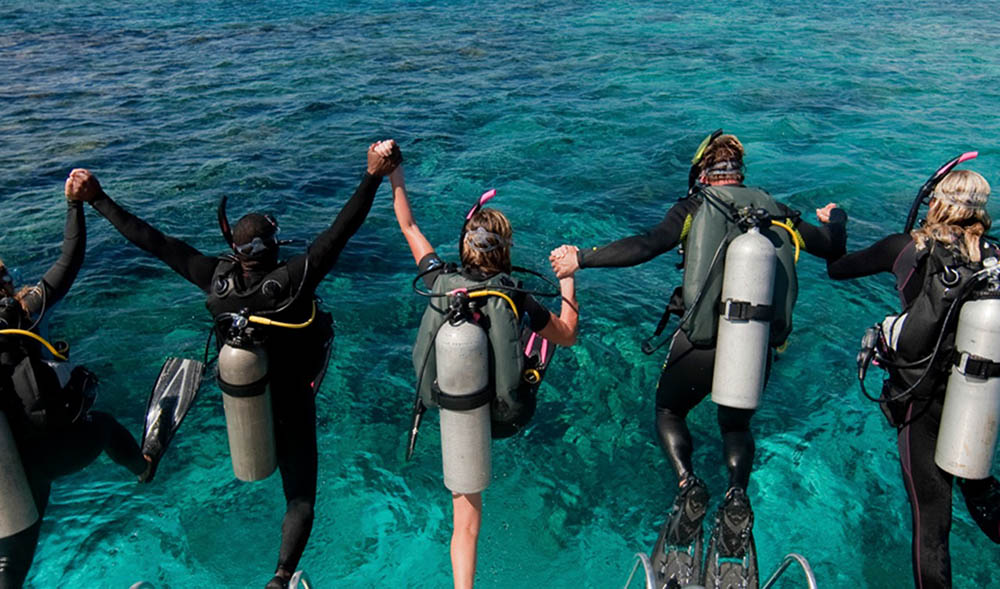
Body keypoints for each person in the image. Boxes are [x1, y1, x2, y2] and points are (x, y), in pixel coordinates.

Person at [64, 140, 401, 589]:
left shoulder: (215, 281)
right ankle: (280, 578)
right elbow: (343, 228)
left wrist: (97, 198)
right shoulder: (293, 279)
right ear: (273, 247)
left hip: (242, 399)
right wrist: (372, 174)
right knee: (300, 498)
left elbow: (154, 241)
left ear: (237, 251)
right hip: (292, 399)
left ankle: (147, 460)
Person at [549, 132, 846, 585]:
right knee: (736, 425)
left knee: (669, 410)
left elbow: (648, 244)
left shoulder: (693, 209)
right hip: (756, 348)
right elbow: (831, 246)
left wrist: (582, 259)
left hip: (701, 346)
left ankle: (689, 484)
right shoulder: (777, 213)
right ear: (740, 172)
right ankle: (736, 497)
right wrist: (837, 217)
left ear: (703, 173)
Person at [388, 163, 578, 589]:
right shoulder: (517, 295)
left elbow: (409, 226)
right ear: (504, 250)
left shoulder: (439, 279)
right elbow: (568, 334)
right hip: (505, 414)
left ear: (466, 246)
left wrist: (394, 174)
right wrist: (568, 281)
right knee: (538, 339)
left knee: (465, 524)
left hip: (456, 412)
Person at [825, 167, 1000, 588]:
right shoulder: (994, 257)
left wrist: (835, 224)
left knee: (931, 522)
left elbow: (838, 268)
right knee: (977, 486)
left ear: (935, 202)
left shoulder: (903, 248)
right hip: (980, 391)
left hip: (921, 399)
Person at [0, 187, 150, 589]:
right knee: (102, 427)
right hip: (39, 457)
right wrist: (73, 205)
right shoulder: (26, 311)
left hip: (6, 465)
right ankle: (143, 469)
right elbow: (70, 259)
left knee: (8, 567)